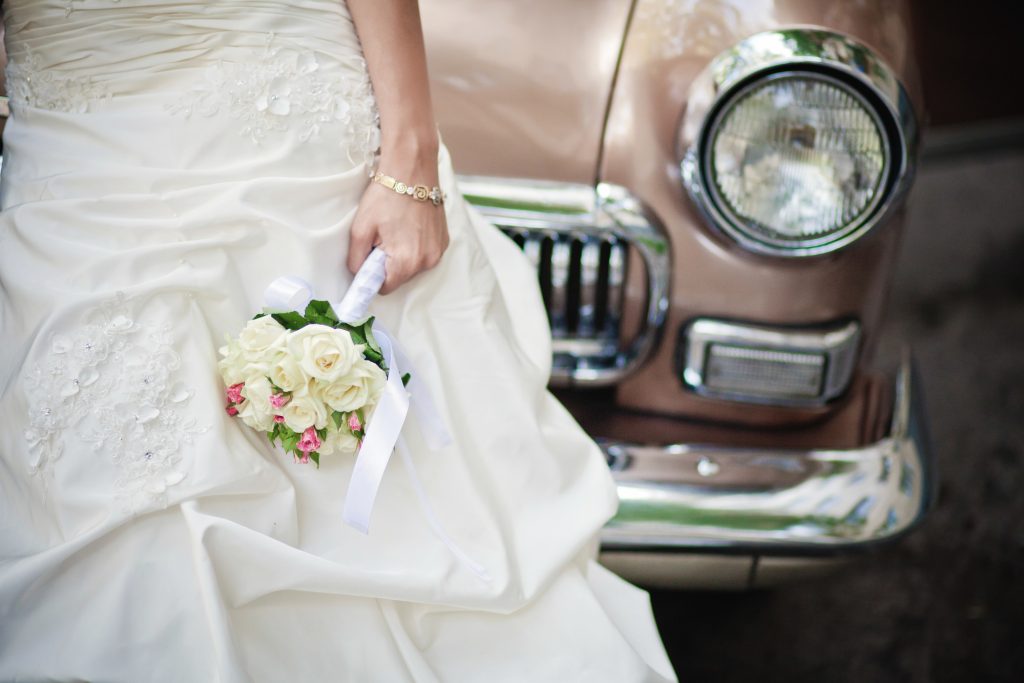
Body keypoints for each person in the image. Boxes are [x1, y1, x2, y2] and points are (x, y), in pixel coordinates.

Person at [0, 1, 677, 681]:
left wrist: (410, 160)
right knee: (122, 504)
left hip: (290, 112)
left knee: (398, 510)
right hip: (81, 160)